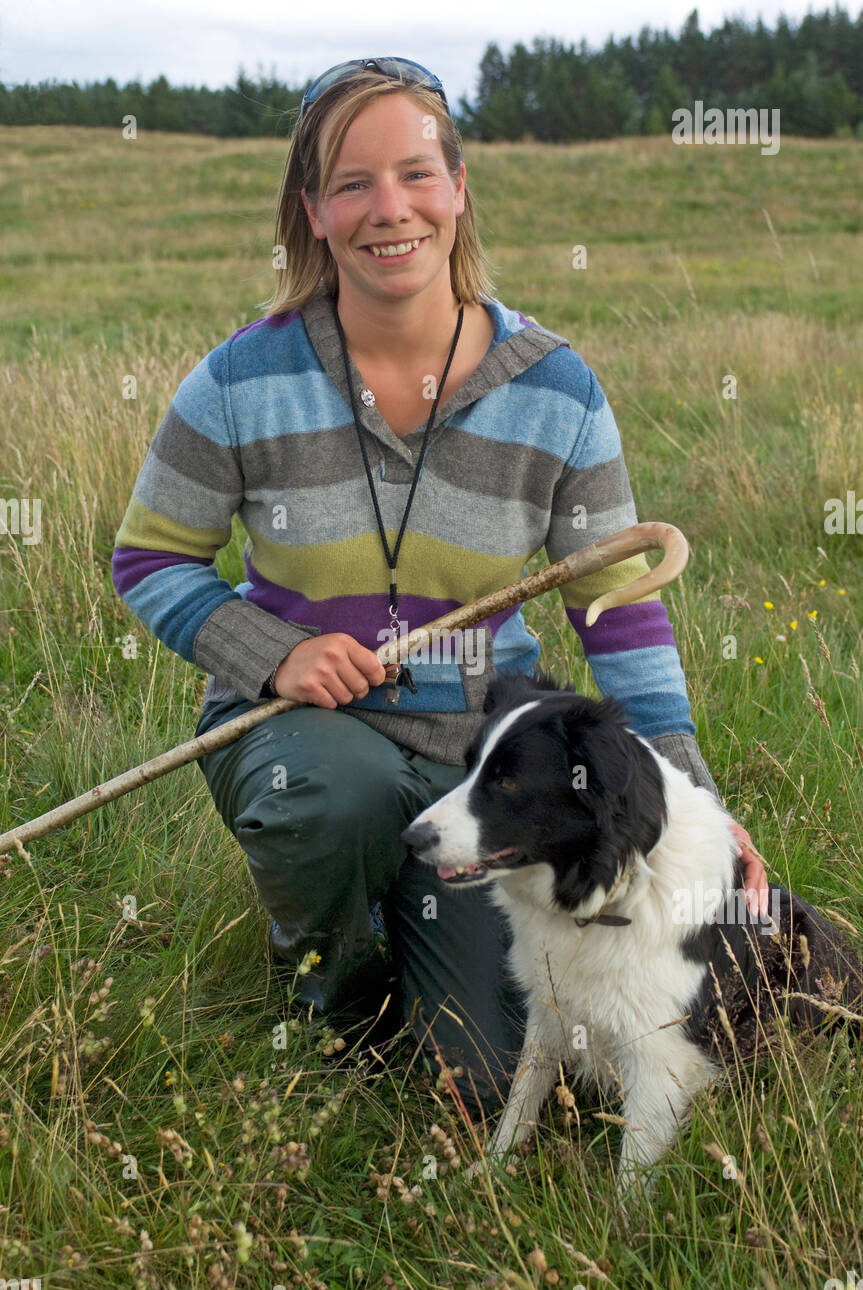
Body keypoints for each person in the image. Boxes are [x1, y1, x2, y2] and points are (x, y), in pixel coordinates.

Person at [111, 56, 768, 1115]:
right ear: (312, 211)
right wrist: (270, 649)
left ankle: (422, 926)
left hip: (482, 755)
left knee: (475, 1072)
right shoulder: (239, 379)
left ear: (457, 188)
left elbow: (617, 610)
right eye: (352, 183)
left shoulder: (555, 389)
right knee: (329, 796)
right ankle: (329, 975)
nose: (390, 209)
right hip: (298, 727)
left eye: (416, 174)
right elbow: (147, 559)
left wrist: (688, 792)